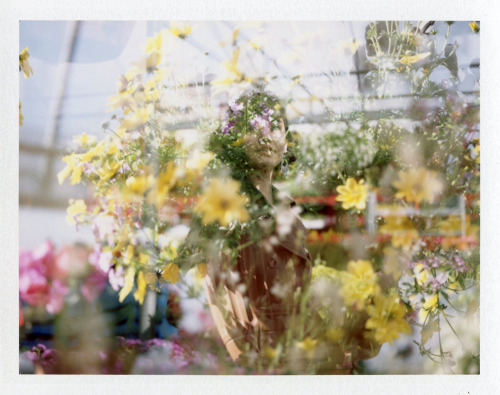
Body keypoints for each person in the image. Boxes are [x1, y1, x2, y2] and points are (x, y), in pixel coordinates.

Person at [203, 89, 312, 366]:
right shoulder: (223, 209)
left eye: (275, 126)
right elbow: (219, 298)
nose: (266, 135)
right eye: (254, 125)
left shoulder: (292, 214)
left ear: (286, 142)